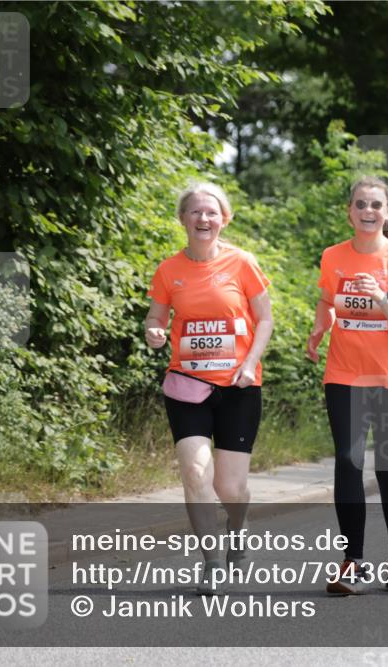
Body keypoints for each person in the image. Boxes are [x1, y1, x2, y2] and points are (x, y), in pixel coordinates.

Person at [143, 182, 274, 593]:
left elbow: (265, 319)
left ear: (225, 219)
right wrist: (154, 333)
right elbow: (155, 319)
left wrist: (251, 362)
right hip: (187, 385)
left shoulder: (243, 263)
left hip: (238, 385)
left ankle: (238, 525)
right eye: (196, 212)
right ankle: (212, 562)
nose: (204, 218)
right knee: (195, 472)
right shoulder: (169, 270)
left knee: (229, 488)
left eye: (212, 212)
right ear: (183, 219)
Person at [306, 176, 388, 595]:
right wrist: (319, 329)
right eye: (361, 204)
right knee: (348, 461)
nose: (368, 211)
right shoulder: (333, 257)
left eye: (376, 205)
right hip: (345, 374)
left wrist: (382, 297)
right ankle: (353, 563)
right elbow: (328, 299)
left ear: (387, 211)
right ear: (350, 211)